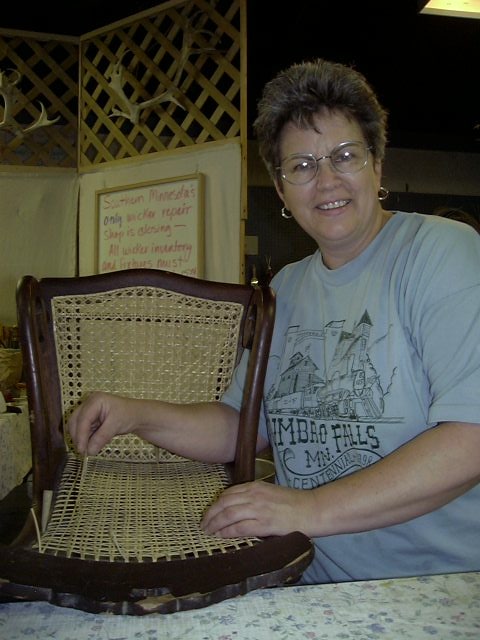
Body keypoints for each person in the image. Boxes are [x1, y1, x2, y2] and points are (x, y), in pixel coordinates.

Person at [69, 58, 480, 584]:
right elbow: (240, 426)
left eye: (345, 155)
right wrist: (133, 414)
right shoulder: (286, 287)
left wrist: (306, 510)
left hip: (431, 590)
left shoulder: (439, 252)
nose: (326, 179)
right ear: (282, 191)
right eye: (302, 166)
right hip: (307, 581)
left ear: (377, 165)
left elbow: (469, 436)